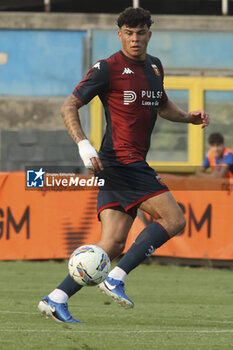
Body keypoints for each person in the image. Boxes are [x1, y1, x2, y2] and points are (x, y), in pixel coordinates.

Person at [38, 7, 209, 323]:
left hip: (125, 165)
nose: (135, 38)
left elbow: (161, 105)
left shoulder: (155, 68)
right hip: (121, 162)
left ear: (149, 34)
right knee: (174, 220)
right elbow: (69, 106)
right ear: (120, 35)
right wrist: (84, 145)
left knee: (113, 242)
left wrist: (187, 117)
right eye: (128, 33)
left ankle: (56, 298)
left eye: (140, 32)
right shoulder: (107, 68)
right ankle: (115, 278)